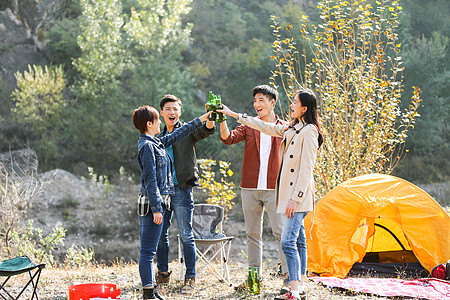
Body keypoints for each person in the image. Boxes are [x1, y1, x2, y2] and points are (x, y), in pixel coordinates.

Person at [219, 89, 323, 300]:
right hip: (279, 193)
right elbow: (263, 126)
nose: (291, 105)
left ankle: (293, 287)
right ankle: (298, 285)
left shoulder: (309, 131)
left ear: (304, 108)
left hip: (293, 196)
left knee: (286, 241)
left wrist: (295, 197)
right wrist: (232, 115)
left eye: (295, 102)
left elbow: (306, 169)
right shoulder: (291, 128)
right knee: (298, 241)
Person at [132, 105, 211, 300]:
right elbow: (150, 181)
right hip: (152, 205)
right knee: (148, 251)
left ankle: (150, 291)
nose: (161, 122)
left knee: (150, 250)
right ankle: (148, 292)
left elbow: (181, 133)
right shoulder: (148, 146)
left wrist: (202, 118)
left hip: (159, 203)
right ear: (149, 124)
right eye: (158, 119)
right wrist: (157, 209)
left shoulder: (155, 142)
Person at [219, 85, 288, 290]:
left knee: (280, 233)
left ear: (272, 103)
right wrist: (222, 118)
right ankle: (253, 279)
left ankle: (288, 278)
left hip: (275, 189)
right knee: (252, 234)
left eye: (261, 100)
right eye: (255, 101)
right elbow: (228, 138)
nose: (257, 105)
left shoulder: (283, 127)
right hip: (249, 187)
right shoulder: (250, 126)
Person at [155, 94, 215, 294]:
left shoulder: (187, 131)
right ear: (162, 113)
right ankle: (162, 274)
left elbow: (206, 130)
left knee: (186, 235)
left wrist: (212, 116)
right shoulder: (158, 137)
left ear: (179, 111)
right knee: (161, 235)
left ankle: (190, 278)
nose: (172, 112)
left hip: (182, 189)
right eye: (168, 109)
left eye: (175, 109)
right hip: (162, 192)